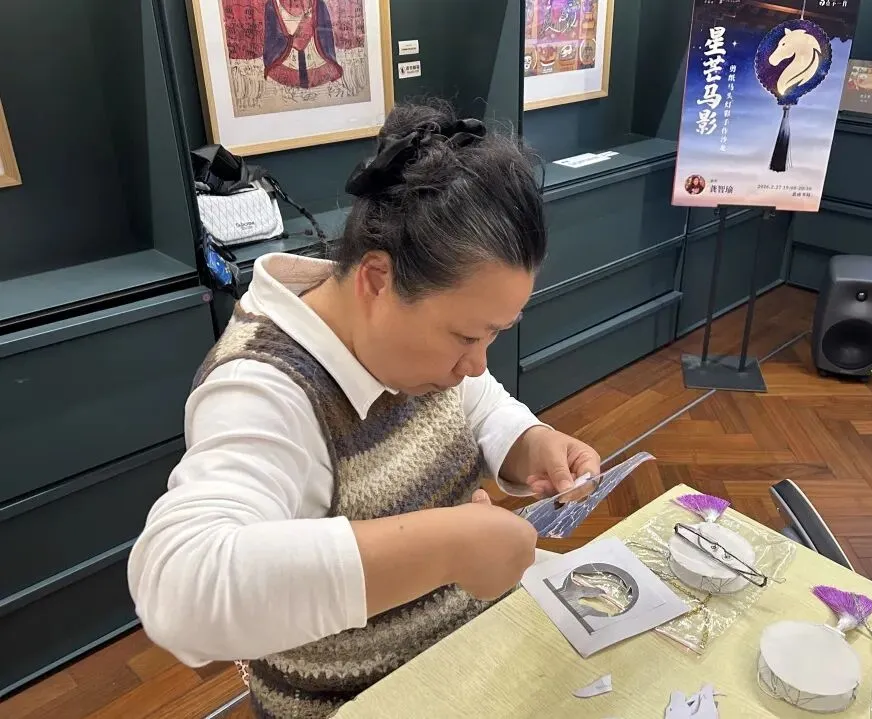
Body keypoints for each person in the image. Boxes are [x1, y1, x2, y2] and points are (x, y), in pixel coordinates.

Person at [128, 100, 602, 718]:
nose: (477, 363)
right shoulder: (261, 388)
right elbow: (180, 591)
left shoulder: (411, 327)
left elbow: (479, 404)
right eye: (467, 336)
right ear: (377, 280)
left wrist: (530, 442)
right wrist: (451, 545)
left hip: (468, 664)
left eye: (495, 334)